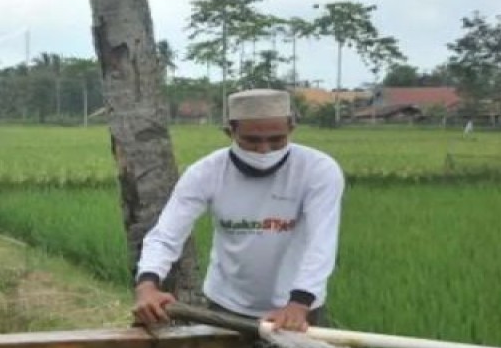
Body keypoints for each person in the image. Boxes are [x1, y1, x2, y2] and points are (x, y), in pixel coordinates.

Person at [133, 89, 345, 332]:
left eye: (277, 139)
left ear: (291, 128)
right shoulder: (206, 172)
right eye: (252, 140)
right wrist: (147, 285)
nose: (265, 150)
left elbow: (321, 243)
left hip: (297, 306)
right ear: (230, 132)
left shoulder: (318, 171)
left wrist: (299, 303)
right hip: (226, 304)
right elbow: (166, 235)